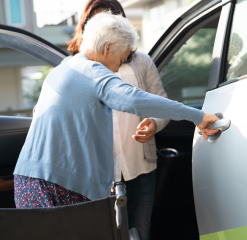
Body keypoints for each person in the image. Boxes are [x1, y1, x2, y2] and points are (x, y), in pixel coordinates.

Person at [13, 12, 218, 217]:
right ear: (108, 47)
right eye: (120, 59)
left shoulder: (63, 68)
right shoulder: (92, 72)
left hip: (26, 183)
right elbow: (136, 99)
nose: (118, 67)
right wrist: (197, 116)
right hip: (59, 187)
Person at [67, 1, 171, 239]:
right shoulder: (75, 66)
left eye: (113, 23)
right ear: (86, 27)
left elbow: (161, 103)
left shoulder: (142, 62)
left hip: (142, 170)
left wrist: (154, 122)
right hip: (98, 175)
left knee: (140, 234)